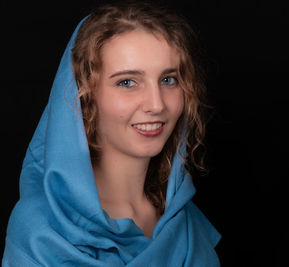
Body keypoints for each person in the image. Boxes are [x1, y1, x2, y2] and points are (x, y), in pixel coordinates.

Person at [2, 1, 220, 266]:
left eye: (168, 79)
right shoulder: (41, 230)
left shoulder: (183, 219)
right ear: (86, 96)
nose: (156, 104)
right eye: (127, 82)